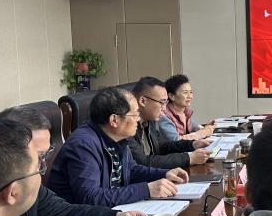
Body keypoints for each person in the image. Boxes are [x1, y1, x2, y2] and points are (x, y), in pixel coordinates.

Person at [0, 106, 150, 216]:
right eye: (39, 156)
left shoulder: (31, 184)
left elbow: (64, 212)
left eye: (45, 156)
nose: (41, 166)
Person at [48, 87, 188, 207]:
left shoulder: (118, 137)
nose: (138, 119)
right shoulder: (83, 145)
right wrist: (146, 190)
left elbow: (131, 170)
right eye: (135, 114)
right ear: (114, 120)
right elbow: (90, 198)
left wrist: (163, 174)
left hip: (111, 211)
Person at [126, 77, 212, 169]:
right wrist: (188, 158)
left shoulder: (149, 120)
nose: (164, 108)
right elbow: (143, 162)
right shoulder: (126, 127)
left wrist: (192, 144)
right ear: (143, 101)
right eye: (161, 103)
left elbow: (162, 146)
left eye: (165, 103)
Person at [159, 74, 215, 142]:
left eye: (191, 92)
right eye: (185, 93)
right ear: (171, 96)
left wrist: (206, 128)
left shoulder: (185, 112)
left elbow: (194, 128)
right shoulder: (164, 117)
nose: (190, 96)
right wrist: (203, 132)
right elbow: (176, 141)